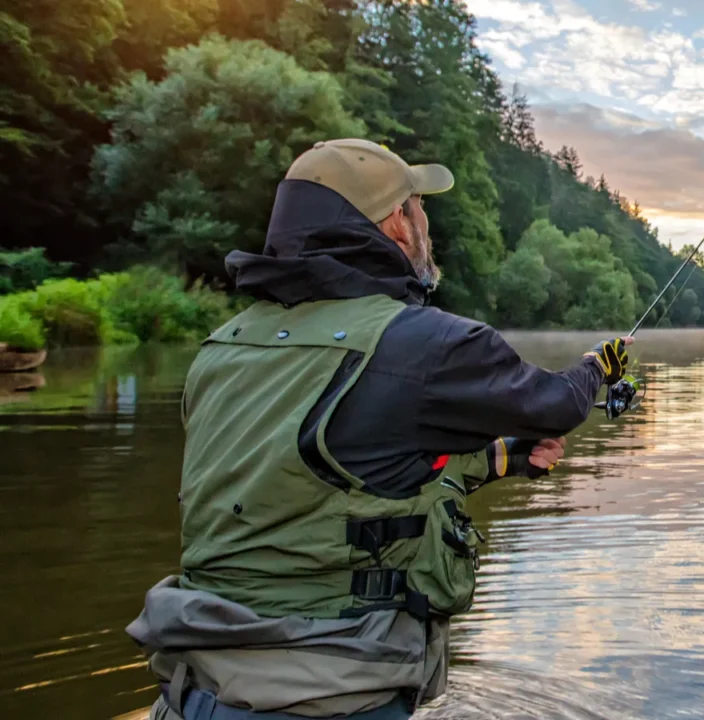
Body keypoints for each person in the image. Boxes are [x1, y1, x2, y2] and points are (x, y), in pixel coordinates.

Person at [125, 138, 633, 719]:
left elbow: (331, 469)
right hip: (332, 695)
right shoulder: (428, 343)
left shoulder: (224, 347)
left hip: (192, 692)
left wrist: (506, 458)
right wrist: (598, 365)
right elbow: (555, 406)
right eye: (420, 209)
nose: (425, 225)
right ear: (395, 222)